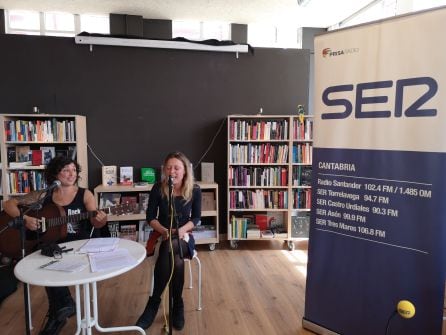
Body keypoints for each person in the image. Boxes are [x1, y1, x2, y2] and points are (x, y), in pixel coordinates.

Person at [3, 156, 107, 335]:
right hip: (51, 245)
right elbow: (9, 204)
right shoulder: (45, 195)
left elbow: (96, 223)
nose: (71, 174)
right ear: (55, 174)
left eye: (74, 170)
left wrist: (101, 220)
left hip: (78, 245)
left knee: (48, 257)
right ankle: (61, 307)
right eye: (66, 170)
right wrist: (26, 219)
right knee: (42, 255)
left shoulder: (85, 194)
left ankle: (59, 310)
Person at [136, 152, 201, 331]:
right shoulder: (158, 188)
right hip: (161, 234)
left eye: (177, 167)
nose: (172, 171)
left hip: (184, 235)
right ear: (164, 170)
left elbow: (196, 218)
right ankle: (177, 303)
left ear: (185, 170)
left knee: (173, 247)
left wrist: (180, 230)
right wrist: (164, 230)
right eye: (169, 167)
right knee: (171, 249)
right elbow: (150, 217)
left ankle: (154, 303)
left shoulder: (194, 189)